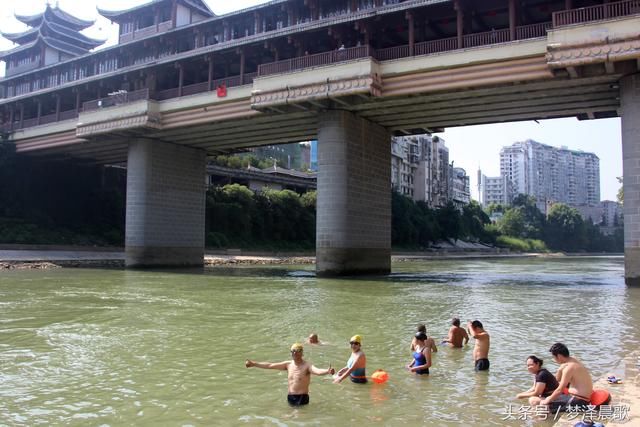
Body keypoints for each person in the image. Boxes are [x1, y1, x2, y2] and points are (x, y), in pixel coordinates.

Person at [245, 343, 335, 406]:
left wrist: (327, 371)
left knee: (300, 418)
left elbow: (317, 371)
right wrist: (254, 364)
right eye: (292, 351)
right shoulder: (288, 364)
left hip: (302, 397)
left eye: (297, 350)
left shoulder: (307, 365)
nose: (294, 353)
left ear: (302, 352)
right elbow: (270, 365)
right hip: (290, 397)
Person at [536, 343, 593, 411]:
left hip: (578, 401)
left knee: (542, 405)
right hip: (578, 398)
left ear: (559, 356)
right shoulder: (573, 360)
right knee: (540, 400)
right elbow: (557, 379)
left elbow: (560, 389)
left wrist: (548, 400)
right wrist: (560, 369)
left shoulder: (569, 368)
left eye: (554, 357)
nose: (554, 359)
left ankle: (542, 420)